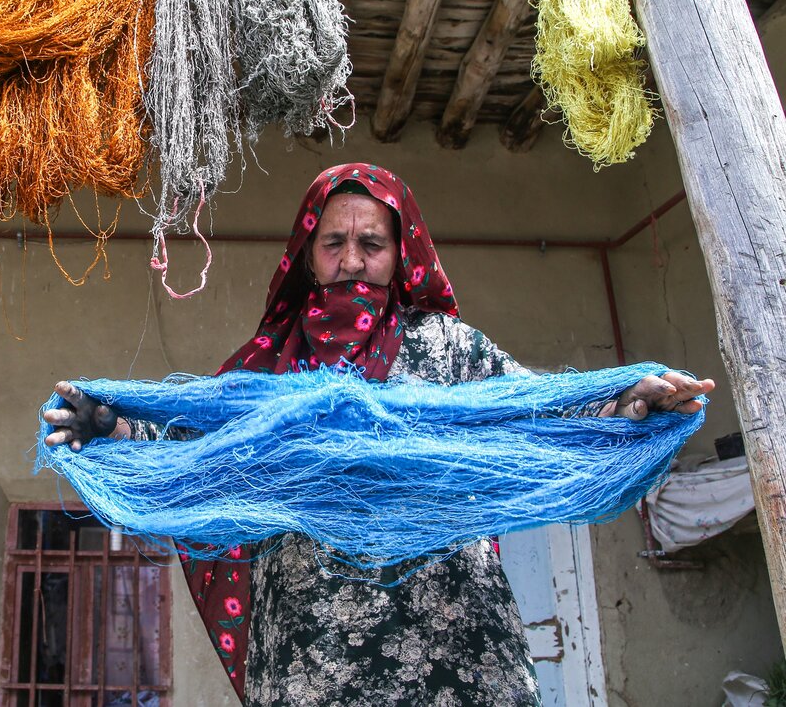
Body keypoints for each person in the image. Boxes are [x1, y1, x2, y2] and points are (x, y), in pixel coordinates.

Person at [43, 163, 713, 706]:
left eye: (372, 244)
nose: (353, 260)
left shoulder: (452, 350)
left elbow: (536, 419)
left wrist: (626, 405)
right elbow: (195, 458)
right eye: (334, 243)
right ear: (308, 255)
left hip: (457, 648)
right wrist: (114, 427)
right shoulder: (267, 366)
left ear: (401, 254)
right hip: (313, 661)